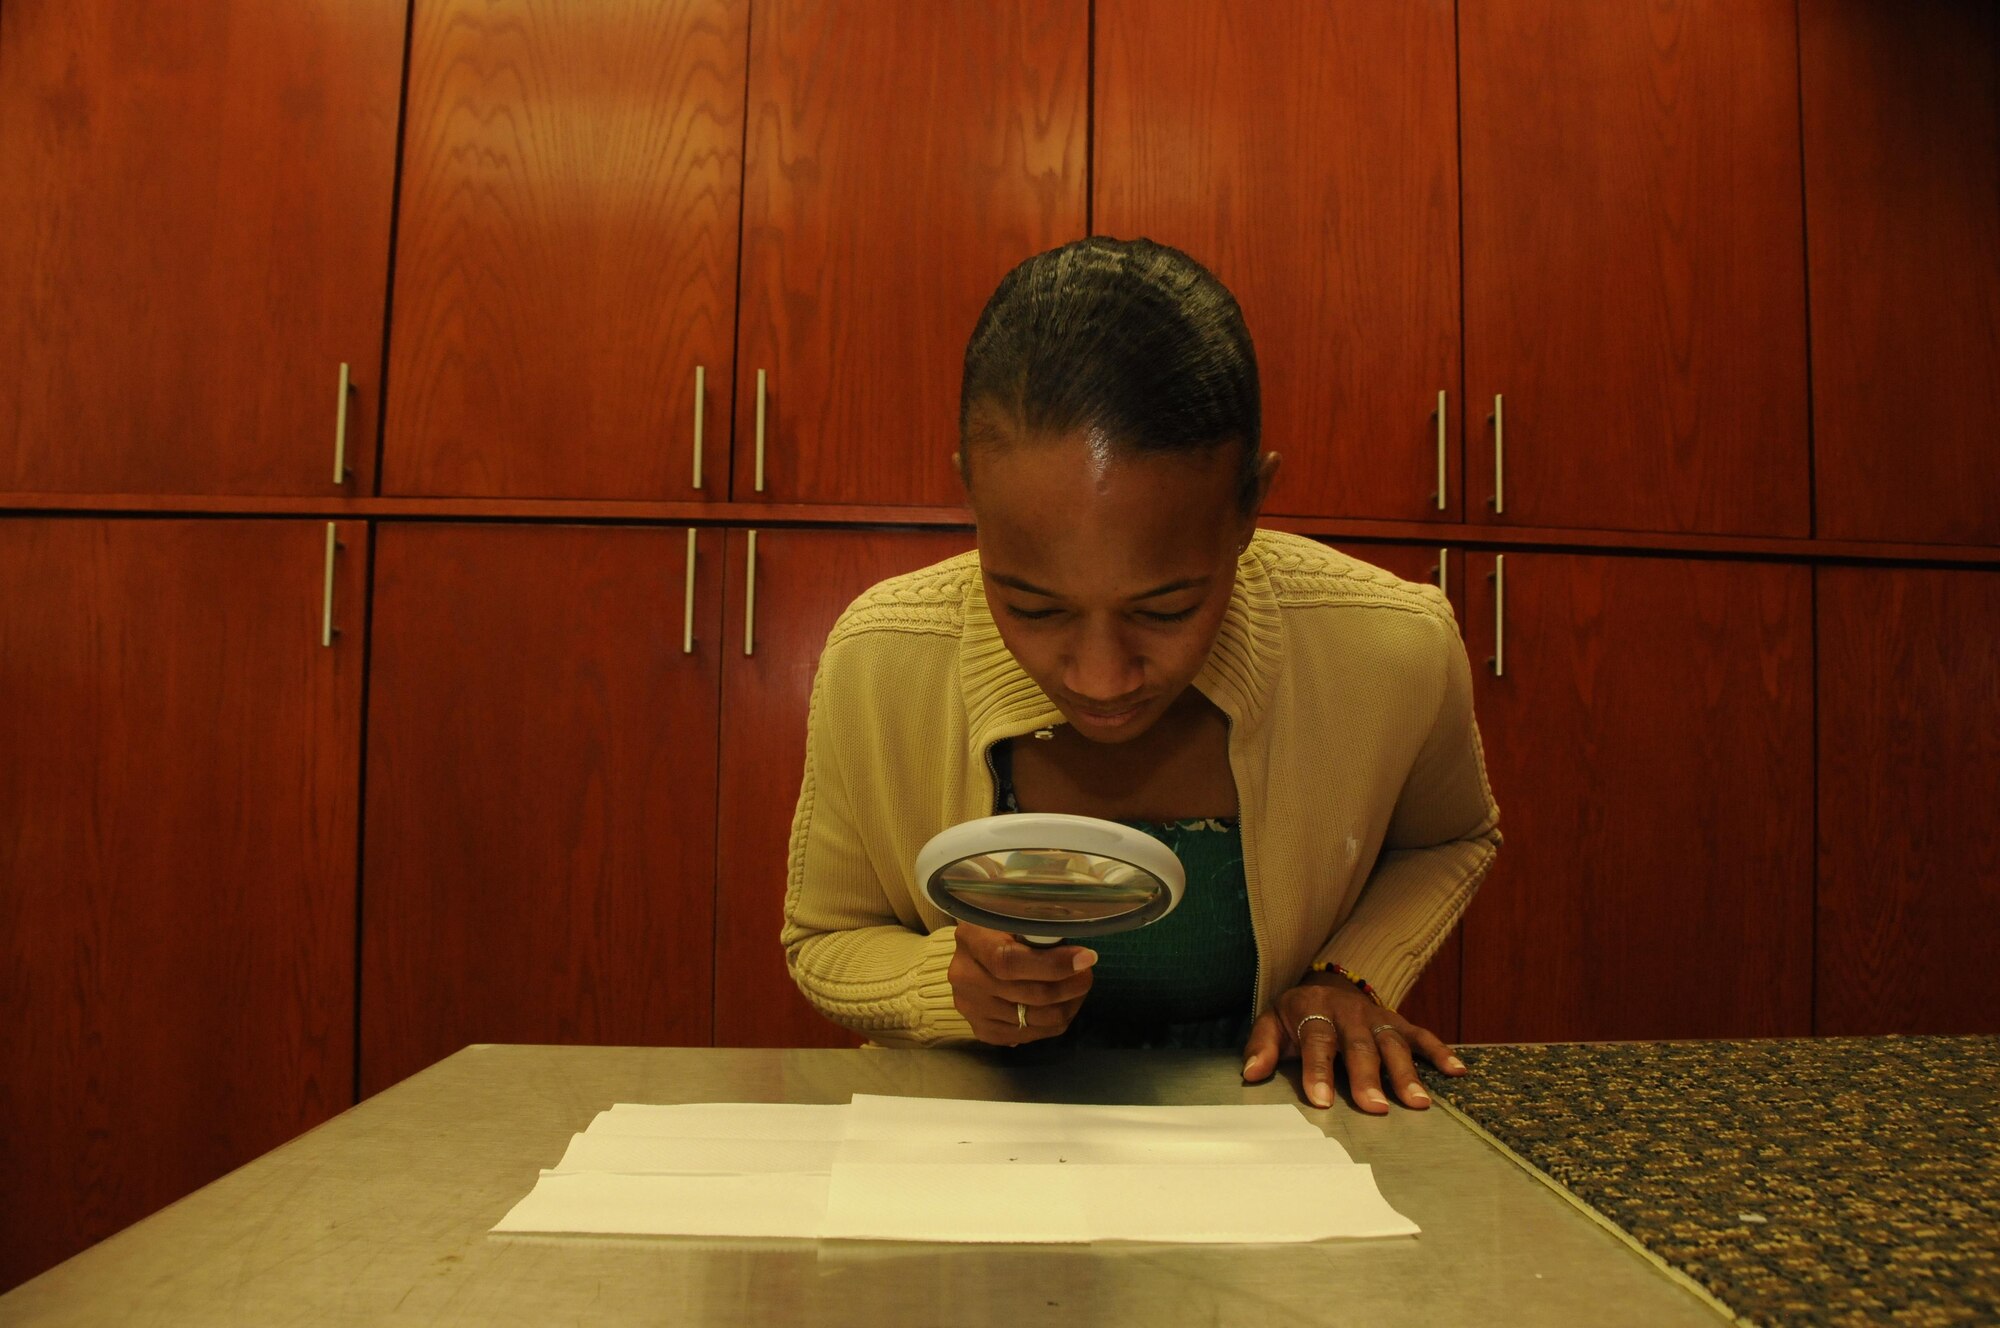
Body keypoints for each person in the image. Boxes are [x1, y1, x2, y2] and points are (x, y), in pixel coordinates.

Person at [781, 237, 1500, 1113]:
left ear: (1248, 509)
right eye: (1034, 607)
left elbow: (1449, 835)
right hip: (962, 1160)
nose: (1100, 677)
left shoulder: (1390, 648)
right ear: (970, 495)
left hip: (1275, 1150)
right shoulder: (885, 654)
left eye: (1164, 610)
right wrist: (945, 982)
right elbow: (826, 935)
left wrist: (1348, 974)